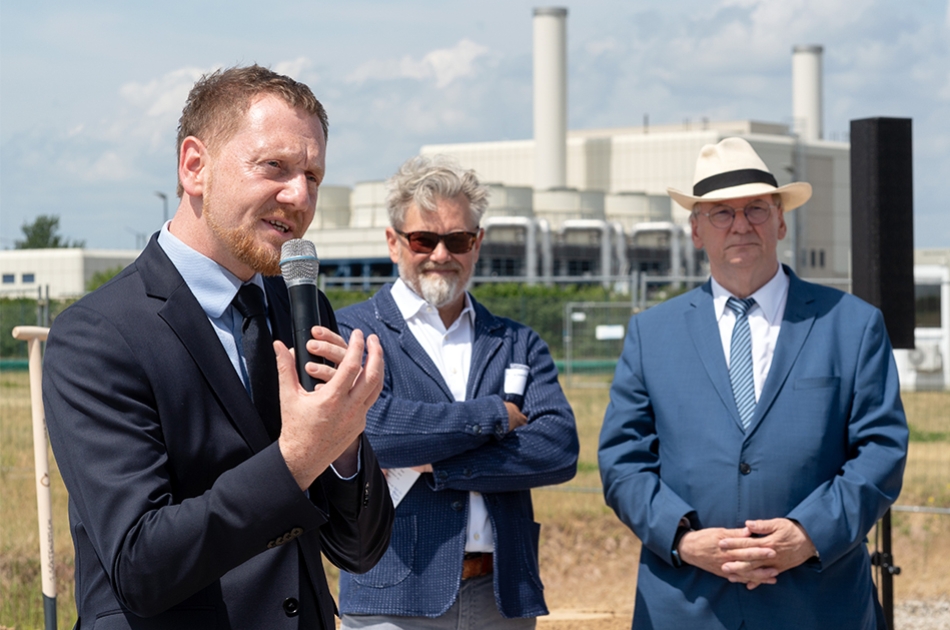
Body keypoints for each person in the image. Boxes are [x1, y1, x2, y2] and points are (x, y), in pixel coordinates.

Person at [43, 65, 393, 630]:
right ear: (194, 166)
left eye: (313, 175)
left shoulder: (303, 311)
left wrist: (345, 446)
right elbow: (140, 566)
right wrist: (298, 459)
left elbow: (359, 549)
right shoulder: (97, 335)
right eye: (274, 166)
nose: (299, 195)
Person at [598, 137, 908, 630]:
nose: (741, 224)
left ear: (782, 220)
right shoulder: (652, 334)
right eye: (721, 212)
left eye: (756, 209)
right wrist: (682, 539)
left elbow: (882, 451)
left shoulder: (851, 324)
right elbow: (623, 462)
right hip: (688, 605)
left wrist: (808, 534)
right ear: (695, 229)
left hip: (818, 603)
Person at [334, 155, 579, 629]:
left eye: (458, 239)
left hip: (502, 595)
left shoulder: (516, 341)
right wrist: (494, 415)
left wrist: (440, 464)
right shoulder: (353, 332)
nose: (441, 255)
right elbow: (374, 431)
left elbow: (558, 448)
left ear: (477, 244)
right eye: (424, 239)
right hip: (394, 594)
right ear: (393, 242)